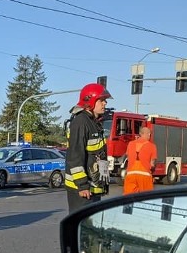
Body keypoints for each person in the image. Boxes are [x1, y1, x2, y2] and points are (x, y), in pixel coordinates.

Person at [65, 83, 112, 213]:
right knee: (84, 228)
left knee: (91, 228)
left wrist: (103, 183)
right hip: (83, 191)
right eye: (102, 100)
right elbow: (75, 158)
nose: (105, 103)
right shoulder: (81, 122)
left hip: (93, 188)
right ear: (90, 101)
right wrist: (82, 185)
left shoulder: (93, 122)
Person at [123, 126, 157, 194]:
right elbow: (152, 164)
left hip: (131, 174)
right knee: (145, 199)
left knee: (128, 199)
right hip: (144, 175)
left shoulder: (130, 144)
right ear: (149, 134)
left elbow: (128, 159)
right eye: (149, 134)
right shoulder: (152, 146)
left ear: (140, 134)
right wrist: (152, 170)